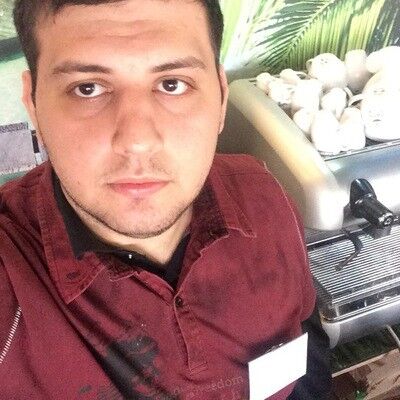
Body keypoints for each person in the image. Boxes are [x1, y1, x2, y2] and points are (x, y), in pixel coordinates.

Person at [0, 0, 331, 398]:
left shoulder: (264, 196)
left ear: (221, 97)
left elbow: (304, 341)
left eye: (172, 83)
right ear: (34, 105)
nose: (137, 142)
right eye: (87, 88)